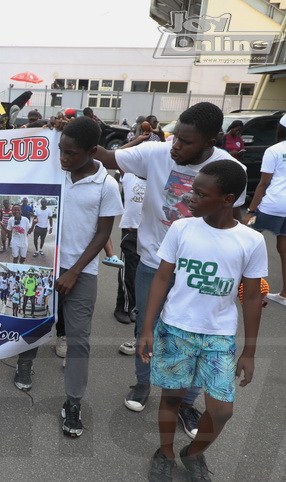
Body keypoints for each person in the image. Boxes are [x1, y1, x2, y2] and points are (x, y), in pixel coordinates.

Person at [89, 102, 246, 440]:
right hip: (152, 262)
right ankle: (143, 384)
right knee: (148, 326)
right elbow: (107, 156)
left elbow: (234, 223)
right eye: (176, 138)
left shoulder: (230, 169)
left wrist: (247, 284)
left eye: (186, 143)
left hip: (198, 272)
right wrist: (75, 131)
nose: (176, 146)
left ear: (211, 141)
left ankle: (187, 402)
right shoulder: (155, 152)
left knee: (195, 337)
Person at [140, 160, 266, 482]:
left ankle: (193, 453)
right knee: (171, 396)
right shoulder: (182, 229)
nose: (189, 196)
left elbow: (252, 297)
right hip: (176, 328)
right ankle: (165, 452)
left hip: (219, 336)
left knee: (222, 409)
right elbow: (163, 278)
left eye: (199, 192)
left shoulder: (251, 241)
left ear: (227, 199)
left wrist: (249, 350)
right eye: (191, 189)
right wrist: (147, 327)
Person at [15, 117, 123, 434]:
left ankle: (73, 403)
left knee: (79, 340)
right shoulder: (51, 172)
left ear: (92, 151)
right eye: (61, 150)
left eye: (71, 153)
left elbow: (104, 234)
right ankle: (24, 363)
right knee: (33, 319)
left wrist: (75, 271)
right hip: (44, 267)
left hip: (82, 272)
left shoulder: (107, 185)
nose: (63, 158)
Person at [242, 111, 286, 306]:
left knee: (245, 239)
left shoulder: (274, 150)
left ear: (282, 128)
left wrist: (250, 211)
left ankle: (235, 284)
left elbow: (263, 184)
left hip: (270, 206)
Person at [113, 170, 145, 325]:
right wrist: (139, 143)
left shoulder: (158, 177)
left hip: (150, 233)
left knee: (144, 273)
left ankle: (135, 307)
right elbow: (120, 152)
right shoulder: (129, 176)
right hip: (131, 232)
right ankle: (123, 307)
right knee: (128, 272)